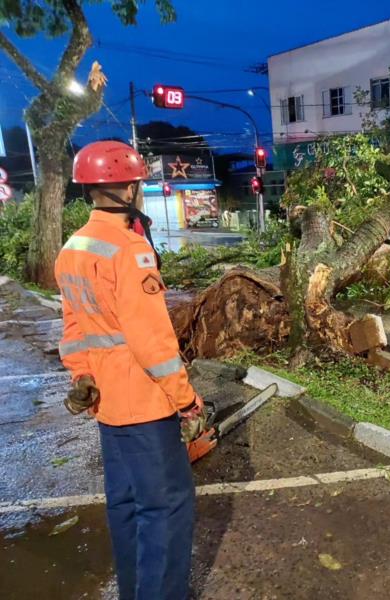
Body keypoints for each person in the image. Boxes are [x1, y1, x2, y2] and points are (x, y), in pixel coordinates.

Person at [55, 140, 205, 600]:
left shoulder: (73, 248)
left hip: (106, 403)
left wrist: (81, 377)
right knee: (166, 507)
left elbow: (74, 328)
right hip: (144, 404)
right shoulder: (128, 250)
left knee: (125, 505)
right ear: (131, 187)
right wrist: (185, 400)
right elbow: (152, 341)